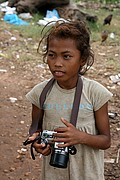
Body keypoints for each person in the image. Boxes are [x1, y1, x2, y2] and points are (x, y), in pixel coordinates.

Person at [26, 20, 113, 180]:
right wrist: (37, 142)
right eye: (51, 55)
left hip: (87, 174)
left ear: (83, 59)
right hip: (54, 175)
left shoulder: (95, 93)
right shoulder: (40, 93)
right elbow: (35, 130)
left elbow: (106, 140)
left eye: (66, 56)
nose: (57, 63)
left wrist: (81, 137)